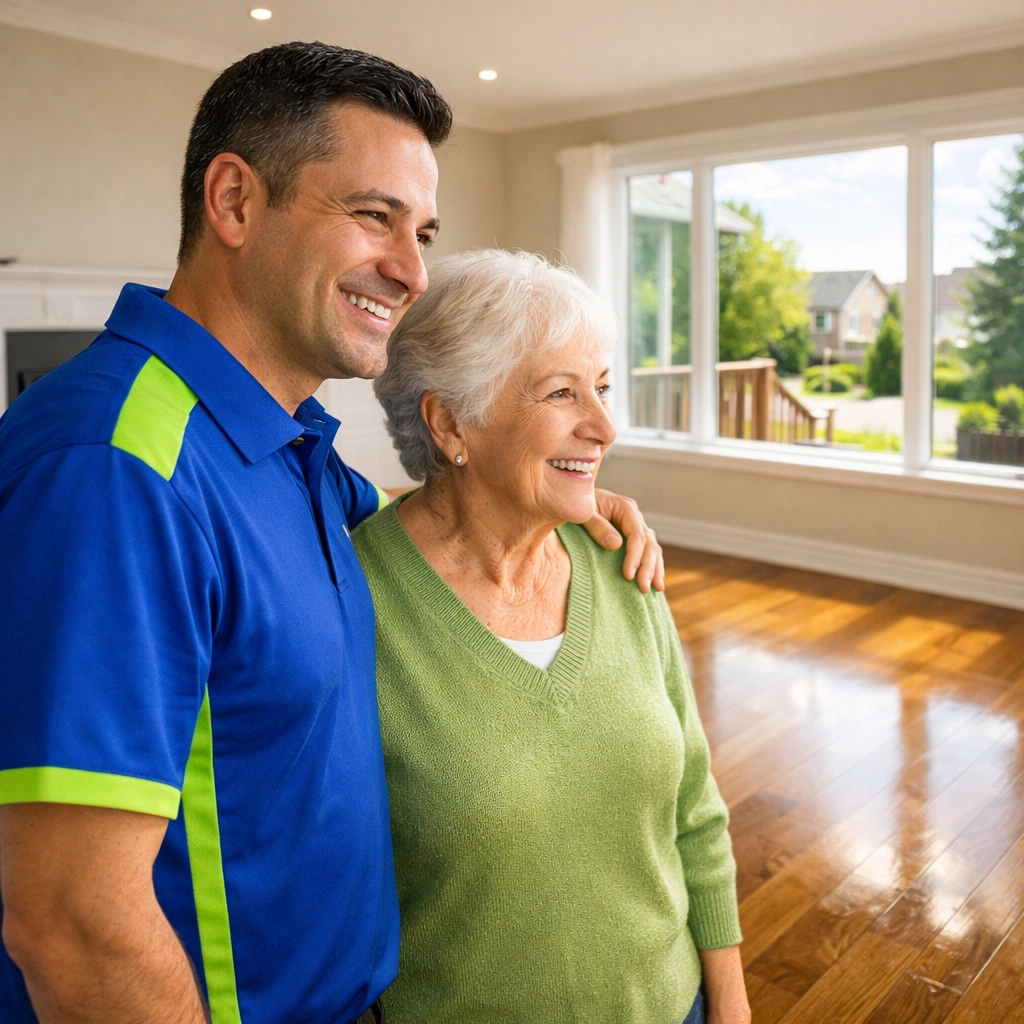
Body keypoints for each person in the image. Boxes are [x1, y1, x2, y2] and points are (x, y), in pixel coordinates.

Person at [0, 45, 664, 1024]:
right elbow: (70, 921)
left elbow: (414, 521)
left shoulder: (285, 445)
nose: (411, 270)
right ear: (234, 201)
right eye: (372, 215)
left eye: (422, 231)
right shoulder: (118, 467)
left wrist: (556, 498)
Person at [353, 249, 750, 1024]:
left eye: (601, 387)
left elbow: (695, 810)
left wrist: (730, 1007)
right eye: (562, 393)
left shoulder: (621, 561)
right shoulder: (356, 601)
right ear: (450, 421)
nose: (604, 427)